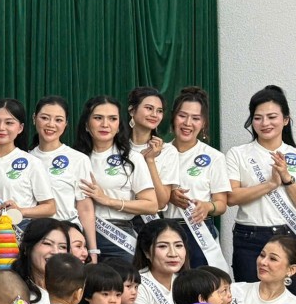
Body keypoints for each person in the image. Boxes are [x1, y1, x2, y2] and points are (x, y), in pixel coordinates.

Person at [227, 86, 296, 293]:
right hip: (250, 238)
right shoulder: (238, 154)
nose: (265, 123)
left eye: (272, 117)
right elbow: (231, 197)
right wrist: (270, 185)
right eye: (258, 118)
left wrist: (287, 179)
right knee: (251, 301)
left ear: (286, 120)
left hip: (293, 236)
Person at [0, 98, 57, 274]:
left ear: (20, 128)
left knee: (16, 287)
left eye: (9, 123)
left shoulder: (32, 163)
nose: (1, 128)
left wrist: (20, 211)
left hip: (19, 235)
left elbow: (50, 207)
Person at [75, 95, 157, 265]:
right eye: (98, 118)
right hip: (79, 236)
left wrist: (108, 201)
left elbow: (151, 205)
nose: (105, 124)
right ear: (86, 124)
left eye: (112, 119)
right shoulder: (74, 158)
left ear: (119, 126)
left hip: (119, 236)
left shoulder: (132, 158)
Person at [164, 87, 230, 270]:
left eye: (195, 118)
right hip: (165, 232)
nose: (187, 123)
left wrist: (207, 207)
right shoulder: (159, 153)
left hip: (200, 233)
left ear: (204, 123)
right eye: (182, 116)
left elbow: (221, 204)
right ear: (173, 117)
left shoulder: (214, 157)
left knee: (201, 284)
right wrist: (168, 196)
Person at [30, 96, 98, 255]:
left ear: (66, 124)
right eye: (45, 118)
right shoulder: (26, 159)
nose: (51, 124)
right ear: (34, 119)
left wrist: (93, 250)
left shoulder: (78, 159)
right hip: (36, 239)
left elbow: (85, 209)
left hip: (68, 237)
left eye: (58, 120)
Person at [127, 86, 178, 216]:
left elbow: (161, 203)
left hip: (152, 221)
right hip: (121, 218)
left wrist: (150, 161)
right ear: (132, 110)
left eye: (159, 111)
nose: (154, 115)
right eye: (149, 108)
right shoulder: (118, 147)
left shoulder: (168, 151)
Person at [9, 218, 69, 304]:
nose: (56, 252)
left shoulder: (72, 290)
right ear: (27, 248)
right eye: (47, 243)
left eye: (62, 247)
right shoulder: (11, 288)